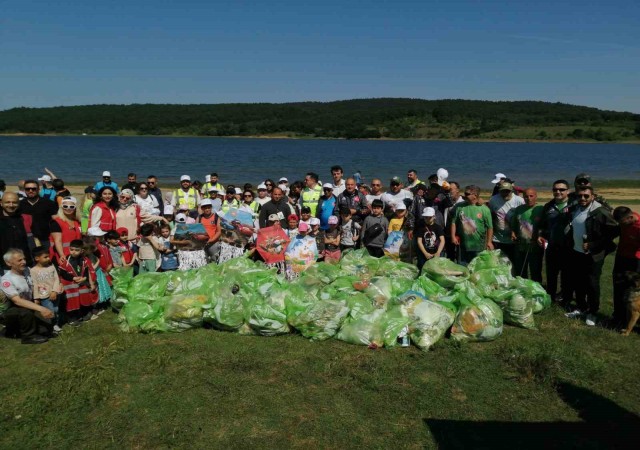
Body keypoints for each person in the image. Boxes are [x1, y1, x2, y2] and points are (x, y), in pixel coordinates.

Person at [564, 186, 619, 326]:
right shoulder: (575, 208)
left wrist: (594, 244)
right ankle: (581, 307)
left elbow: (615, 230)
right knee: (579, 281)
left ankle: (593, 312)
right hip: (577, 252)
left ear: (592, 196)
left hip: (594, 255)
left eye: (586, 196)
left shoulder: (600, 211)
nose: (582, 198)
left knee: (592, 283)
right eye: (580, 195)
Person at [1, 249, 53, 344]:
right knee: (25, 312)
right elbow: (17, 301)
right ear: (9, 263)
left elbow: (34, 286)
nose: (24, 262)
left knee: (46, 329)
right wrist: (41, 309)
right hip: (13, 309)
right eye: (19, 260)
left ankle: (13, 331)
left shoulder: (27, 270)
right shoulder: (6, 280)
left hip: (29, 305)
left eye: (24, 259)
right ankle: (28, 337)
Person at [538, 180, 572, 304]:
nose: (558, 192)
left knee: (566, 275)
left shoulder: (574, 204)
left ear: (568, 191)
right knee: (551, 273)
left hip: (569, 247)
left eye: (562, 189)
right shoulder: (548, 206)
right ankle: (550, 297)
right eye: (555, 189)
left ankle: (565, 297)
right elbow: (543, 225)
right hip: (552, 246)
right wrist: (540, 235)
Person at [611, 207, 640, 329]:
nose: (620, 225)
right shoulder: (624, 221)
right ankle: (618, 317)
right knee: (618, 287)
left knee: (633, 291)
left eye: (622, 222)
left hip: (636, 260)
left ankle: (633, 319)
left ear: (630, 217)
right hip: (621, 258)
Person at [57, 239, 97, 324]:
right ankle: (72, 318)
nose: (73, 252)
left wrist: (85, 278)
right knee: (72, 301)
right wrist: (72, 278)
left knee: (84, 297)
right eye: (71, 249)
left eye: (76, 250)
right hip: (70, 286)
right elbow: (63, 273)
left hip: (81, 284)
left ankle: (85, 313)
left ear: (82, 250)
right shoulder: (66, 261)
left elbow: (87, 271)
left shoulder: (84, 260)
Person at [451, 185, 493, 265]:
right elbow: (454, 222)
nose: (464, 195)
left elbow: (489, 227)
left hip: (478, 245)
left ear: (475, 195)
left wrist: (489, 242)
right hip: (463, 244)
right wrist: (453, 236)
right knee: (463, 267)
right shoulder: (459, 206)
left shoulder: (484, 209)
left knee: (477, 267)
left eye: (467, 194)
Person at [510, 188, 544, 281]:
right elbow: (514, 226)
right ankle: (524, 290)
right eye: (526, 196)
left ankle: (537, 291)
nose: (528, 198)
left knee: (535, 271)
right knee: (521, 271)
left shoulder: (541, 209)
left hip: (535, 247)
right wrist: (513, 233)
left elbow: (545, 227)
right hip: (521, 245)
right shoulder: (519, 209)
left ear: (536, 196)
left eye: (531, 196)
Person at [488, 180, 524, 266]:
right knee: (499, 264)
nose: (505, 193)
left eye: (508, 191)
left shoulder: (519, 201)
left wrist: (515, 231)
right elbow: (491, 216)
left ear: (512, 191)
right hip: (497, 239)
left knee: (514, 264)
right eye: (503, 191)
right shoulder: (493, 200)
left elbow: (523, 219)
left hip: (514, 240)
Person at [30, 246, 63, 331]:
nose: (48, 258)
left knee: (56, 309)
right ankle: (50, 326)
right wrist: (36, 298)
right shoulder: (33, 270)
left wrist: (54, 291)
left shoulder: (51, 266)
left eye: (48, 256)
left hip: (55, 294)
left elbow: (56, 279)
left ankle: (56, 323)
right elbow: (35, 284)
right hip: (44, 296)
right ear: (37, 258)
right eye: (45, 257)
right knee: (49, 311)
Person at [20, 179, 58, 251]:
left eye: (33, 189)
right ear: (24, 190)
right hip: (26, 238)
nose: (30, 191)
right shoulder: (20, 204)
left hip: (45, 238)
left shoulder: (49, 203)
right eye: (28, 189)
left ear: (38, 189)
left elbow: (55, 220)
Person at [0, 192, 32, 272]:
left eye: (14, 202)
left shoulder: (24, 218)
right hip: (3, 266)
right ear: (1, 203)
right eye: (7, 202)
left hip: (24, 263)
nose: (11, 205)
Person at [49, 196, 82, 264]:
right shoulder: (56, 222)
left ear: (75, 208)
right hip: (63, 255)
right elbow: (57, 240)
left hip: (76, 254)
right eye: (65, 206)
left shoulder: (77, 222)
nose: (68, 208)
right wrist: (62, 255)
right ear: (61, 207)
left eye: (71, 207)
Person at [416, 207, 445, 271]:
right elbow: (419, 241)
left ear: (434, 216)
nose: (428, 219)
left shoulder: (438, 227)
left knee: (437, 269)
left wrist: (438, 252)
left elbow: (442, 240)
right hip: (424, 254)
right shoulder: (421, 228)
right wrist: (425, 253)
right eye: (426, 217)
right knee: (423, 269)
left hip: (436, 253)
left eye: (430, 217)